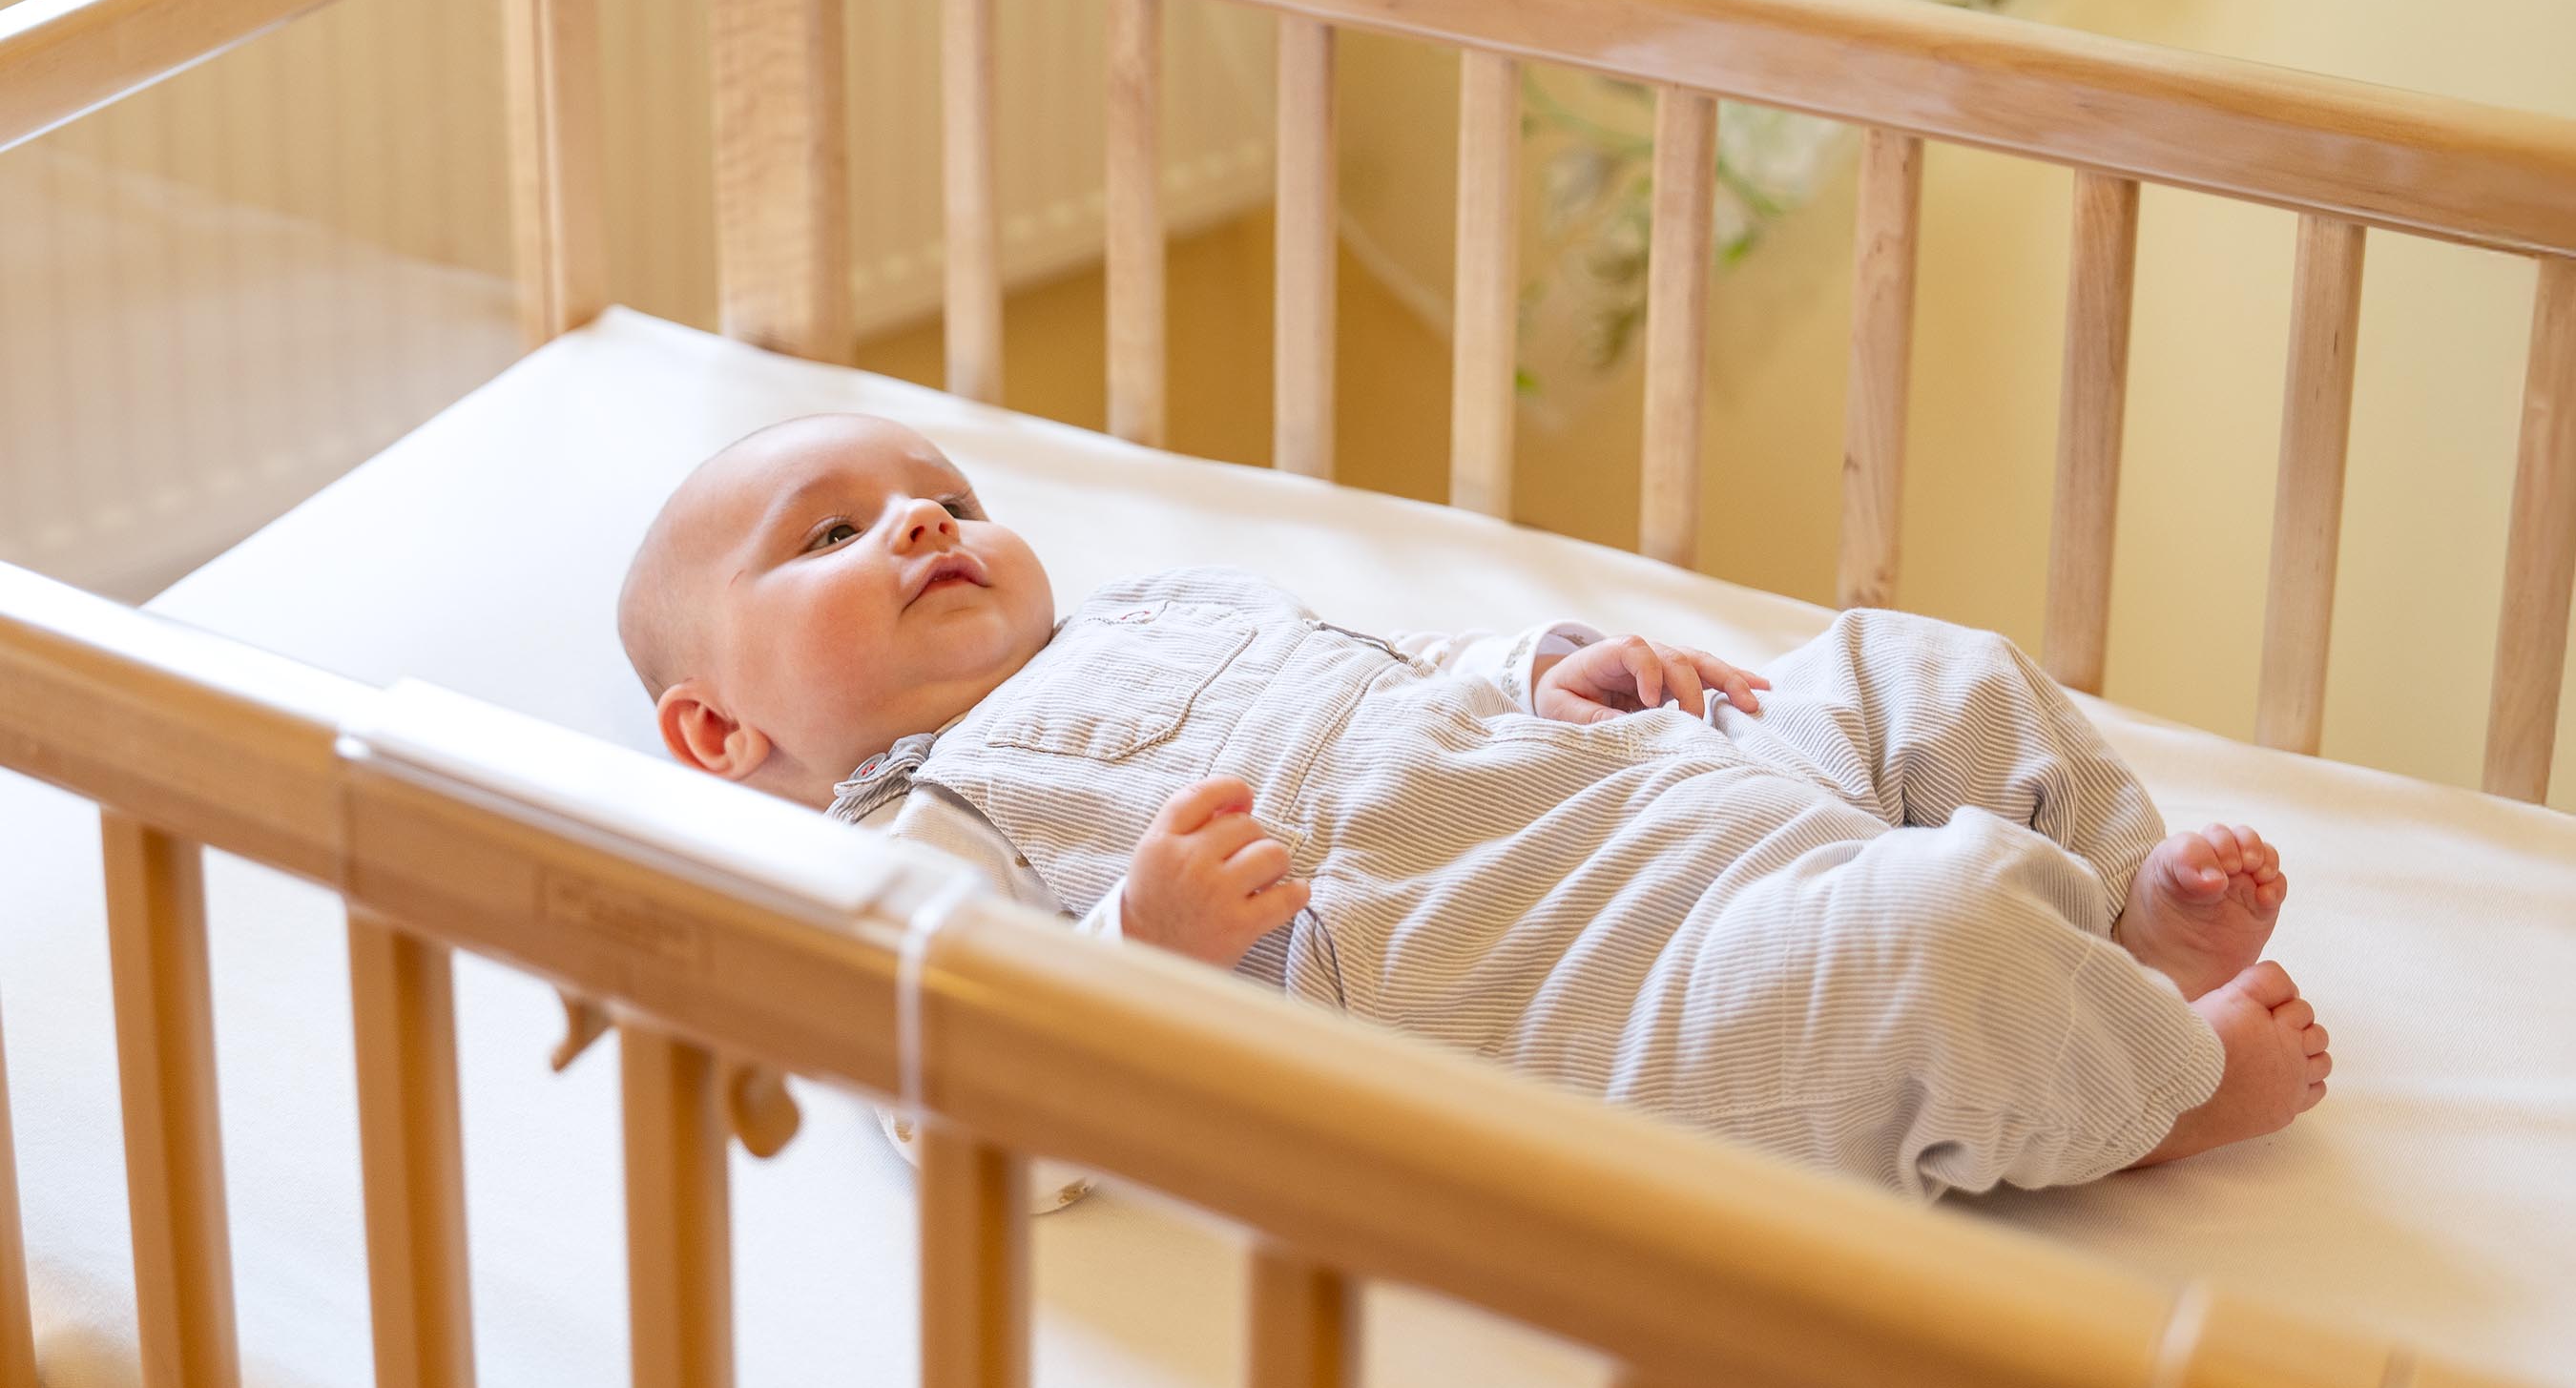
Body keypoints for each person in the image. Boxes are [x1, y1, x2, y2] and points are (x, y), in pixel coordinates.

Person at [617, 412, 2328, 1200]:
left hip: (1663, 779)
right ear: (719, 729)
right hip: (1606, 976)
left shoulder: (1152, 609)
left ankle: (2119, 903)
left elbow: (1396, 660)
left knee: (1919, 669)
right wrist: (1139, 944)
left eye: (944, 495)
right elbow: (952, 1104)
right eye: (831, 537)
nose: (921, 524)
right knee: (1931, 941)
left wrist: (1547, 672)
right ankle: (2157, 1092)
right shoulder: (914, 833)